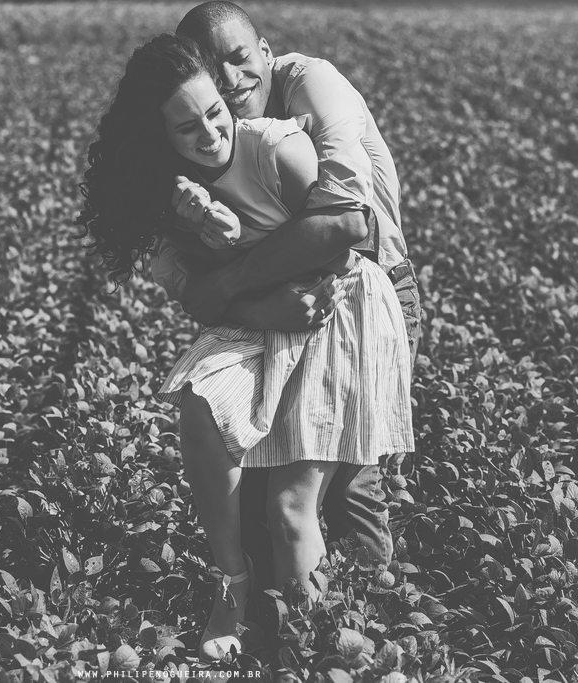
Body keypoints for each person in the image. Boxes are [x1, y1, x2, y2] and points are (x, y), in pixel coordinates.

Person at [77, 34, 413, 663]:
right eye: (187, 127)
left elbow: (346, 236)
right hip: (264, 323)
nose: (210, 132)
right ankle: (243, 591)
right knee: (204, 407)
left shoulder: (281, 133)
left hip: (342, 308)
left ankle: (349, 639)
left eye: (214, 113)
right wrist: (213, 244)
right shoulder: (166, 194)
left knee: (313, 502)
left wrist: (233, 252)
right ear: (161, 137)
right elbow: (200, 298)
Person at [152, 2, 423, 585]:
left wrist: (231, 278)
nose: (229, 80)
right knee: (263, 478)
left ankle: (363, 618)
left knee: (349, 486)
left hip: (364, 294)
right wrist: (247, 294)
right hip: (274, 309)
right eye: (211, 68)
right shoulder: (204, 134)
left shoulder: (310, 86)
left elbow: (346, 223)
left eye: (240, 58)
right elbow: (190, 288)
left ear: (267, 52)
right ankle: (279, 613)